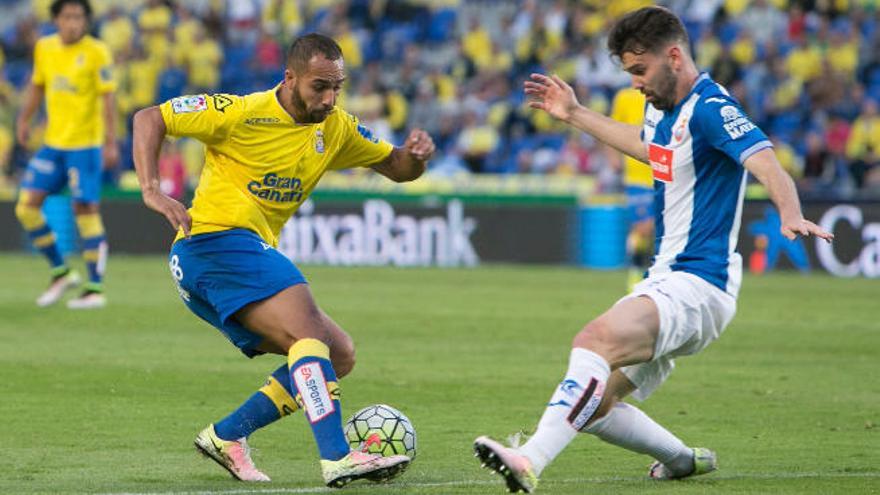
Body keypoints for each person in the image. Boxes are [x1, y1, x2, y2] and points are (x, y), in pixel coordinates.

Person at [473, 7, 833, 493]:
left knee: (593, 340)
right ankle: (682, 460)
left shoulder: (711, 107)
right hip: (668, 279)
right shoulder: (661, 107)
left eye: (640, 71)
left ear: (675, 56)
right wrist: (575, 114)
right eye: (629, 73)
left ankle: (528, 458)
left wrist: (789, 212)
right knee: (595, 405)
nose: (635, 83)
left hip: (698, 284)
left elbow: (767, 163)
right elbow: (650, 149)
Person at [132, 33, 435, 487]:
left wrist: (416, 158)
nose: (330, 98)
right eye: (320, 86)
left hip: (227, 258)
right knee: (309, 329)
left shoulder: (335, 129)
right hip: (212, 241)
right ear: (289, 78)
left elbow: (396, 167)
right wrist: (152, 188)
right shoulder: (238, 112)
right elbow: (148, 117)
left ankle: (227, 436)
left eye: (338, 87)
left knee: (338, 353)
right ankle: (337, 457)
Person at [14, 0, 119, 309]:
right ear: (56, 20)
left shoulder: (97, 51)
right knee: (26, 206)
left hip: (85, 146)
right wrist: (23, 119)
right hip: (53, 143)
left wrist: (111, 143)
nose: (74, 22)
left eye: (79, 17)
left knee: (85, 211)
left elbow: (108, 98)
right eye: (68, 16)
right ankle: (61, 271)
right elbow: (37, 86)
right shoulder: (44, 48)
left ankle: (94, 287)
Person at [609, 86, 654, 290]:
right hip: (636, 175)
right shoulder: (624, 97)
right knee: (643, 226)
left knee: (660, 226)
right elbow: (612, 128)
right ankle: (635, 271)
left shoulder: (663, 94)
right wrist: (613, 158)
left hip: (663, 172)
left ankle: (653, 271)